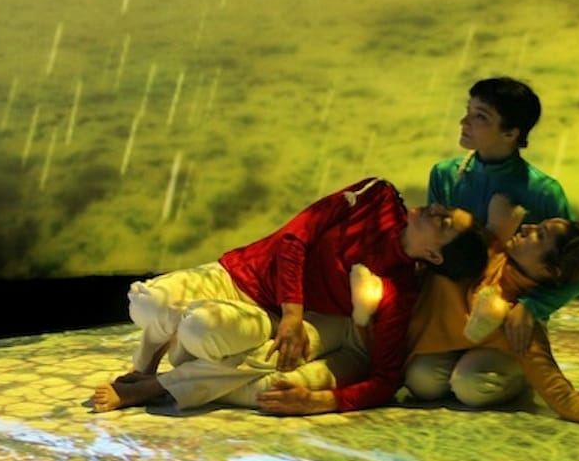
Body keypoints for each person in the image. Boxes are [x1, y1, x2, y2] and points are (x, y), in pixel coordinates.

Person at [291, 195, 579, 441]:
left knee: (471, 387)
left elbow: (562, 395)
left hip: (481, 358)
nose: (531, 227)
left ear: (550, 271)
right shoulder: (481, 251)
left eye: (540, 236)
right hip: (414, 346)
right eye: (536, 226)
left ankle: (509, 381)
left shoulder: (522, 321)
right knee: (423, 382)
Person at [89, 177, 489, 415]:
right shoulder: (378, 195)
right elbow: (296, 234)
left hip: (274, 318)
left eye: (446, 222)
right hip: (243, 274)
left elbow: (386, 378)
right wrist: (293, 311)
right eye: (445, 209)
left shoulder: (395, 290)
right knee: (146, 302)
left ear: (434, 254)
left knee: (207, 330)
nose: (437, 209)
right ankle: (147, 366)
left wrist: (318, 401)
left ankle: (157, 386)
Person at [428, 77, 579, 353]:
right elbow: (431, 250)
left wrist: (530, 308)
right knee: (424, 382)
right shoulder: (445, 176)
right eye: (468, 111)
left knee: (474, 386)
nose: (464, 122)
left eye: (480, 117)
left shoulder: (543, 191)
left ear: (511, 133)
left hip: (507, 316)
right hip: (452, 311)